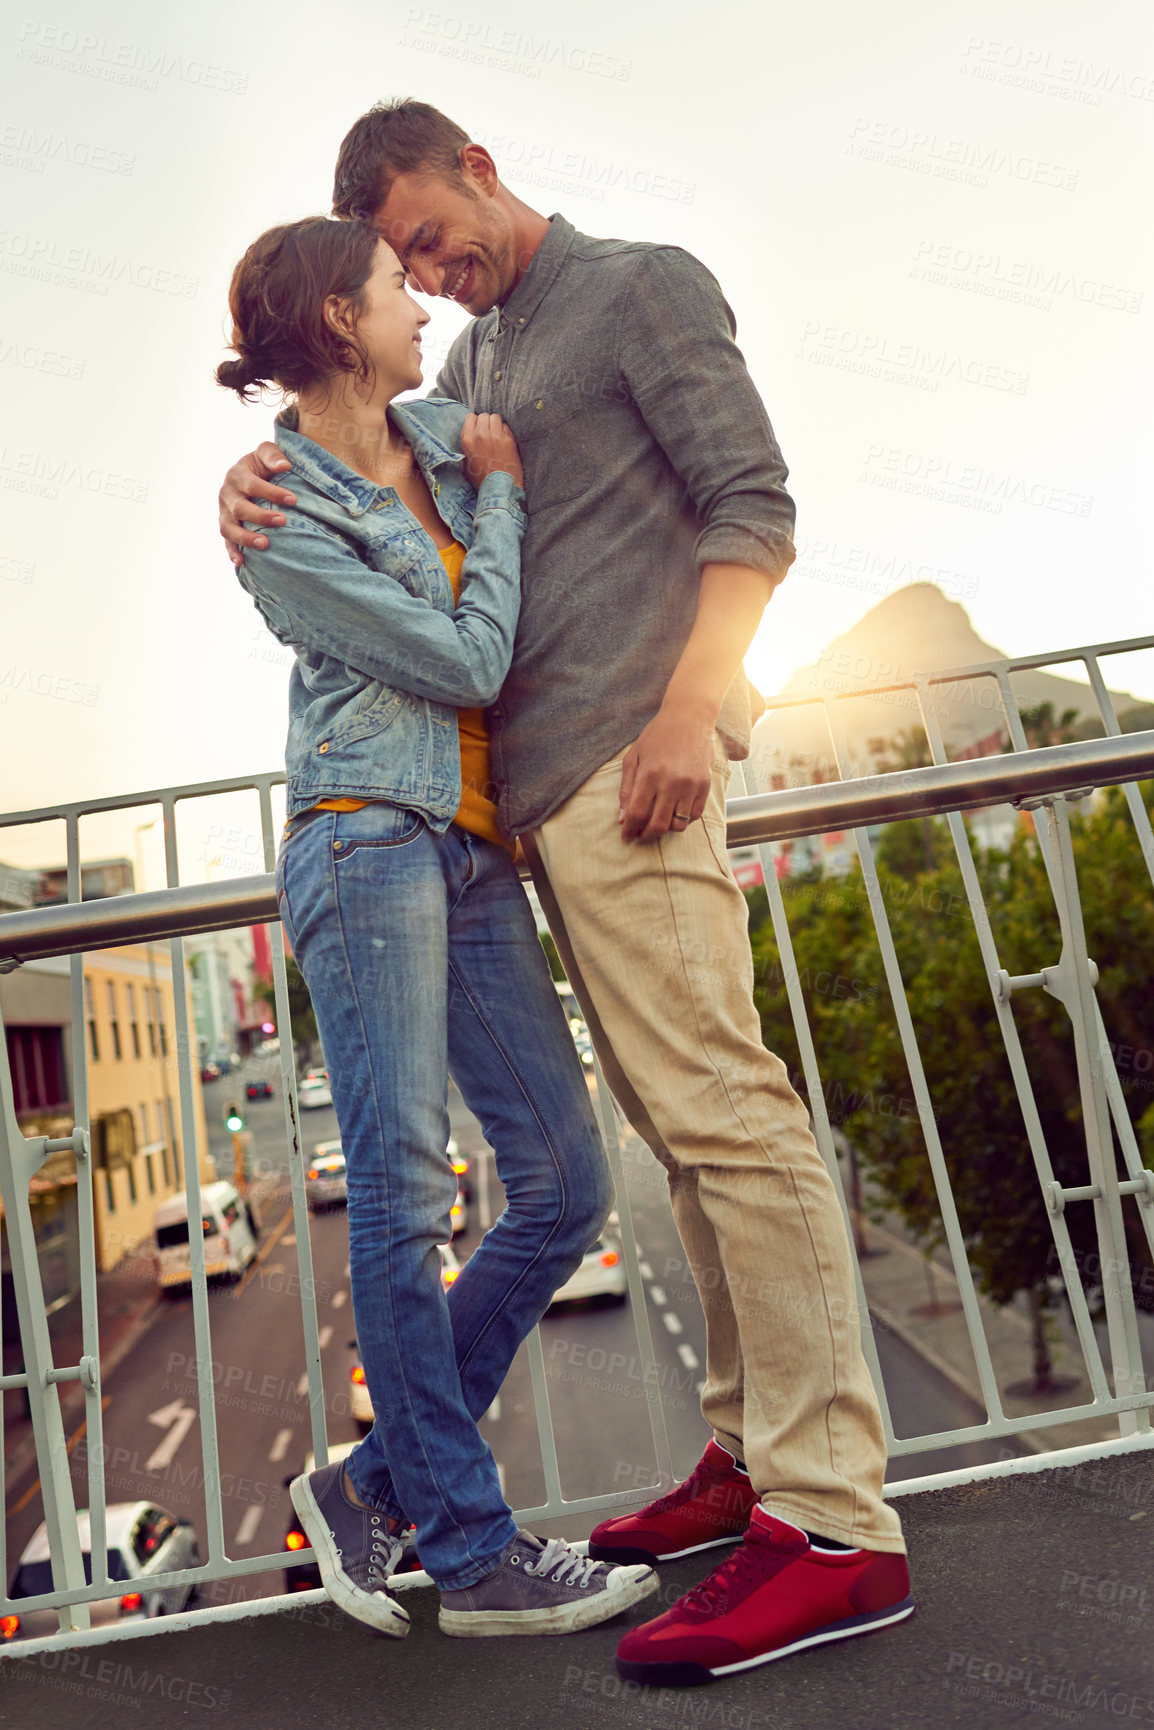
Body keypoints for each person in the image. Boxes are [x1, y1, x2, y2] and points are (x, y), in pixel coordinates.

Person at [218, 103, 913, 1686]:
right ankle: (747, 1453)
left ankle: (832, 1523)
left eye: (423, 233)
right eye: (395, 264)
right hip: (523, 823)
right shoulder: (462, 373)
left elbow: (754, 503)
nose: (424, 270)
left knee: (726, 1119)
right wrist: (245, 491)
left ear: (473, 159)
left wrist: (693, 706)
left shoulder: (640, 287)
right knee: (681, 1139)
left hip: (634, 765)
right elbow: (357, 468)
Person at [215, 213, 657, 1640]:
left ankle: (372, 1486)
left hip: (470, 850)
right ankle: (468, 1552)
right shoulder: (278, 512)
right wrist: (503, 502)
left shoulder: (450, 420)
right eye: (397, 286)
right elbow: (471, 649)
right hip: (365, 840)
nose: (422, 303)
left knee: (563, 1183)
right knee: (404, 1199)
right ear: (340, 319)